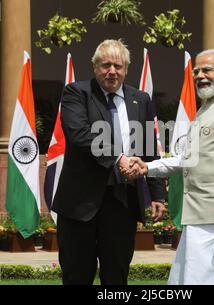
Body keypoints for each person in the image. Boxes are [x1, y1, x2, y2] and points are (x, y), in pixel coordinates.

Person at [123, 49, 214, 285]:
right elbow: (187, 160)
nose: (200, 76)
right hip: (201, 218)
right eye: (196, 71)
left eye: (207, 70)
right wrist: (147, 168)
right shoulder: (206, 109)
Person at [52, 39, 166, 285]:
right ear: (95, 67)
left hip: (122, 202)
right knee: (76, 275)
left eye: (117, 66)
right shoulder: (76, 93)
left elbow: (148, 147)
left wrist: (157, 194)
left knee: (117, 276)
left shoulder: (141, 99)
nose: (112, 71)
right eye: (105, 65)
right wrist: (118, 158)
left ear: (126, 69)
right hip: (80, 204)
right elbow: (79, 134)